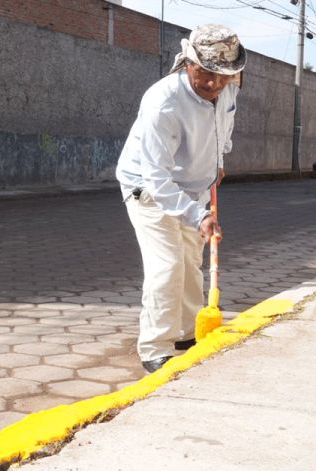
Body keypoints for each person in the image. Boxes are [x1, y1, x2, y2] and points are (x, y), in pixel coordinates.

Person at [115, 24, 245, 373]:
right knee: (168, 266)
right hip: (149, 190)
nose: (214, 84)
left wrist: (218, 163)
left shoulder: (227, 90)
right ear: (188, 62)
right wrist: (197, 215)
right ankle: (155, 345)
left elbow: (224, 132)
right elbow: (157, 177)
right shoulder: (163, 102)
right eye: (206, 73)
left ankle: (188, 332)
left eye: (224, 75)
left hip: (196, 188)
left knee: (190, 262)